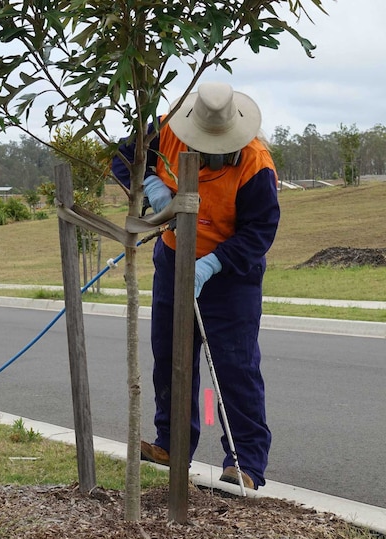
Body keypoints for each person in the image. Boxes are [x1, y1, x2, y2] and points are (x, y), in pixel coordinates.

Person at [111, 82, 280, 489]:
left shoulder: (256, 165)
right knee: (171, 354)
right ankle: (174, 444)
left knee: (234, 368)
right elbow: (123, 158)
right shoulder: (167, 129)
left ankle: (245, 463)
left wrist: (211, 265)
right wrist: (152, 187)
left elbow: (259, 232)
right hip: (173, 258)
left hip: (230, 275)